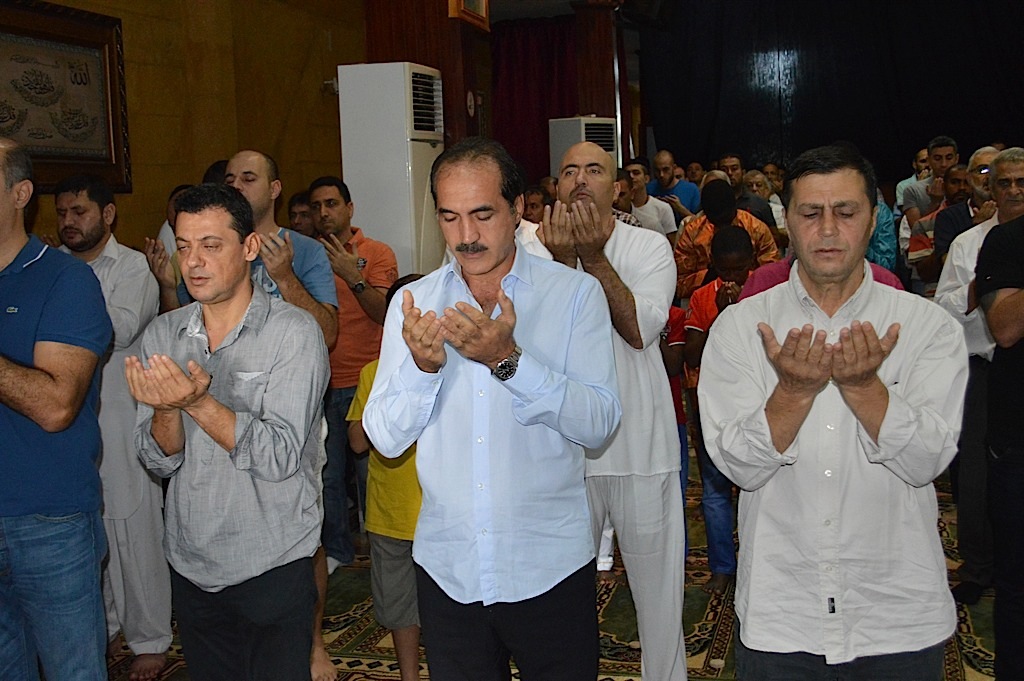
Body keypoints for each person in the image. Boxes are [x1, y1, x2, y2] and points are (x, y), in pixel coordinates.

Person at [699, 144, 966, 678]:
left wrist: (866, 389)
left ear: (873, 219)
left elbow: (927, 462)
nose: (827, 229)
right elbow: (739, 468)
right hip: (782, 614)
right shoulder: (740, 327)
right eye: (810, 213)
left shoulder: (926, 326)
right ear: (786, 224)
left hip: (895, 612)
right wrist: (792, 395)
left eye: (845, 212)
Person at [362, 137, 621, 681]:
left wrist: (508, 361)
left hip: (547, 566)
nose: (466, 235)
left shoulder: (573, 295)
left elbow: (599, 423)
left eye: (482, 214)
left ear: (518, 207)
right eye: (449, 217)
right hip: (449, 568)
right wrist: (422, 369)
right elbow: (383, 438)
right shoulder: (416, 305)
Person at [128, 183, 330, 681]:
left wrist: (198, 403)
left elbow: (280, 455)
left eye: (211, 245)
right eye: (184, 247)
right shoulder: (163, 335)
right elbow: (158, 460)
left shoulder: (293, 333)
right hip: (192, 558)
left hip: (272, 557)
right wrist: (167, 410)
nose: (194, 262)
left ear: (249, 247)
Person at [546, 141, 687, 680]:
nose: (581, 179)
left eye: (594, 170)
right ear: (556, 187)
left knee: (659, 604)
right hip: (563, 456)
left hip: (641, 447)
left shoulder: (648, 247)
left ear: (618, 187)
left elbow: (637, 330)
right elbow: (537, 344)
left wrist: (593, 258)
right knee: (559, 605)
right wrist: (564, 262)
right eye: (569, 171)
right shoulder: (534, 248)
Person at [0, 139, 113, 679]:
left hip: (47, 519)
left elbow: (55, 406)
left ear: (20, 193)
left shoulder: (65, 280)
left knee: (74, 671)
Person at [54, 174, 170, 680]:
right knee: (87, 527)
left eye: (78, 211)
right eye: (62, 213)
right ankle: (104, 628)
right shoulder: (50, 266)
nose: (69, 222)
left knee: (134, 527)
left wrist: (65, 303)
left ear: (107, 214)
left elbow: (116, 330)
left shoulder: (133, 268)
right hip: (70, 418)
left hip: (123, 416)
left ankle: (151, 638)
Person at [309, 175, 399, 575]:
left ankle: (382, 556)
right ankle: (338, 553)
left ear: (349, 208)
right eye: (317, 206)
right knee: (327, 477)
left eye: (331, 204)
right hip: (322, 382)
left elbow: (385, 314)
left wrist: (352, 275)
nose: (323, 213)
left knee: (369, 478)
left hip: (369, 381)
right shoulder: (305, 256)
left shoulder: (376, 252)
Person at [347, 273, 425, 681]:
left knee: (451, 607)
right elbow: (358, 443)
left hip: (443, 516)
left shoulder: (458, 370)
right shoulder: (373, 373)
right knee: (399, 607)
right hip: (391, 515)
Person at [683, 225, 756, 597]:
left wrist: (741, 311)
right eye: (725, 270)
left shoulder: (766, 293)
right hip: (710, 404)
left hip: (754, 403)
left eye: (739, 270)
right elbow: (693, 355)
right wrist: (721, 317)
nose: (732, 278)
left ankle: (758, 566)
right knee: (714, 492)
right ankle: (723, 567)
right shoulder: (702, 297)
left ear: (752, 263)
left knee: (758, 490)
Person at [974, 146, 1024, 679]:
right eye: (1005, 182)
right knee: (1017, 580)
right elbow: (1005, 327)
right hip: (1018, 436)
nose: (1014, 191)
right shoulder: (1005, 242)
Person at [674, 178, 779, 299]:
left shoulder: (757, 229)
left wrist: (746, 281)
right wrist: (709, 276)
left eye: (727, 220)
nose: (722, 227)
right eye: (716, 222)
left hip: (755, 297)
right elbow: (679, 285)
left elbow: (773, 277)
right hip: (704, 298)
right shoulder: (692, 233)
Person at [649, 149, 700, 220]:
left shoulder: (691, 189)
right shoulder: (649, 189)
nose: (661, 175)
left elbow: (700, 222)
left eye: (666, 169)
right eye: (657, 170)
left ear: (674, 168)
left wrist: (681, 209)